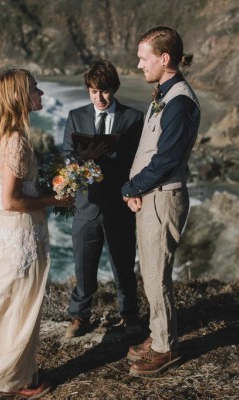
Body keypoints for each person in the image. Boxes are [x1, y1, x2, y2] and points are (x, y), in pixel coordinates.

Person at [0, 69, 73, 398]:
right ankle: (16, 382)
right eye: (35, 89)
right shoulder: (16, 143)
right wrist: (57, 198)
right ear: (19, 97)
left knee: (8, 305)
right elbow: (10, 199)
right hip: (21, 237)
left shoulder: (1, 135)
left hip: (7, 235)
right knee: (21, 308)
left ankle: (14, 373)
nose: (41, 94)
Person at [121, 26, 201, 377]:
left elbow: (167, 158)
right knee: (151, 273)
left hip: (163, 198)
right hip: (152, 196)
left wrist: (131, 186)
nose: (139, 64)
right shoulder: (165, 93)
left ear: (164, 58)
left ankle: (165, 348)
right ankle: (157, 338)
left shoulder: (180, 101)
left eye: (144, 57)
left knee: (156, 276)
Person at [61, 60, 144, 338]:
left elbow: (139, 160)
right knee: (84, 266)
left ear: (115, 89)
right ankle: (79, 317)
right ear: (87, 90)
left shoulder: (133, 117)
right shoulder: (75, 116)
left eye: (105, 91)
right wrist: (82, 160)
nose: (99, 97)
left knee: (123, 265)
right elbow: (67, 155)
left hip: (120, 204)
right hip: (87, 205)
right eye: (94, 91)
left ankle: (130, 314)